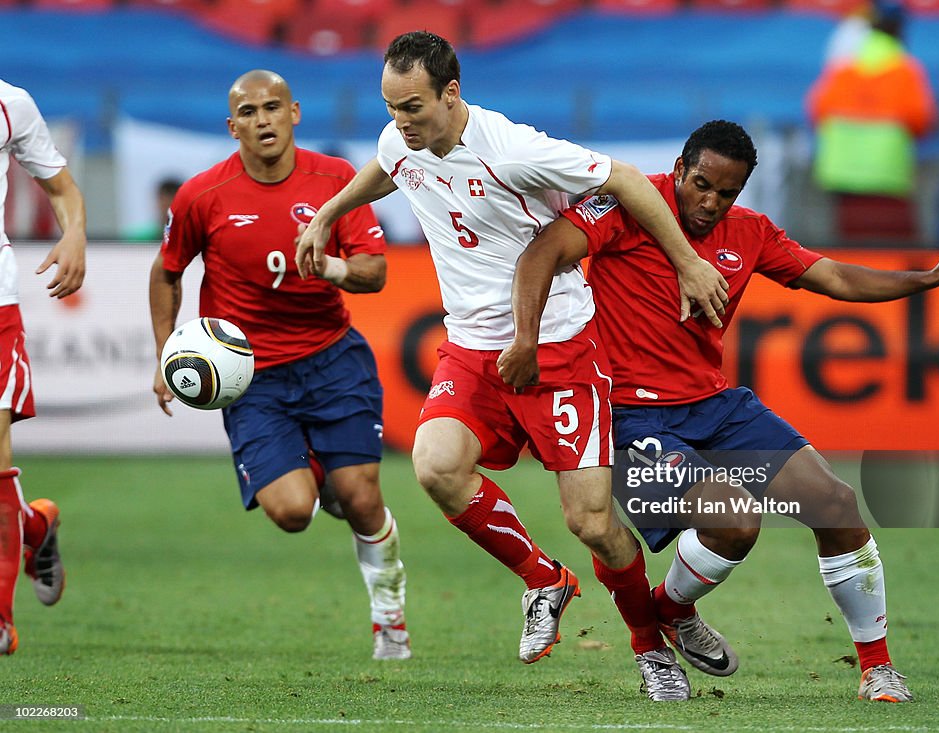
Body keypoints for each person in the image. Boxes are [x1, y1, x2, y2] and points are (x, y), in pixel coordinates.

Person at [295, 31, 731, 701]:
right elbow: (389, 165)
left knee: (592, 522)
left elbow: (626, 180)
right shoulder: (401, 139)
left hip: (558, 346)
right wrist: (332, 208)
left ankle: (649, 645)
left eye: (412, 107)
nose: (400, 121)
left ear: (451, 94)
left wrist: (688, 261)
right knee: (436, 465)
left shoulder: (513, 149)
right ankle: (544, 579)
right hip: (471, 346)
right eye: (390, 107)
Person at [501, 119, 939, 702]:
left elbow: (835, 276)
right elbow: (544, 251)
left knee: (836, 504)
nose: (711, 203)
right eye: (702, 185)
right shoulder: (625, 204)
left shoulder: (750, 232)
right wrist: (526, 340)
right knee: (735, 522)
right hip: (630, 415)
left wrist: (931, 277)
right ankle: (659, 625)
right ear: (681, 168)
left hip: (716, 405)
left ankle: (873, 667)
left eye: (728, 192)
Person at [149, 70, 410, 661]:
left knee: (363, 500)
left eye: (272, 107)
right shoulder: (201, 195)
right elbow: (167, 271)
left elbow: (375, 271)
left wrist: (333, 269)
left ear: (294, 113)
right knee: (293, 513)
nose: (262, 120)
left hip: (332, 359)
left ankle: (389, 615)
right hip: (250, 377)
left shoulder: (337, 180)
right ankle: (320, 468)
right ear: (232, 125)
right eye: (248, 112)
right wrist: (166, 353)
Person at [0, 79, 85, 655]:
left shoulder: (11, 103)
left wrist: (75, 232)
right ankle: (32, 525)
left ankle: (0, 622)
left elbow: (60, 187)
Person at [806, 0, 937, 243]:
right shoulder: (905, 70)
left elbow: (817, 110)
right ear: (899, 28)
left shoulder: (844, 65)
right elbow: (921, 121)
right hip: (886, 175)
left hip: (841, 174)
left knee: (849, 258)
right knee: (888, 260)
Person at [124, 177, 183, 242]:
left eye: (172, 201)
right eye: (164, 202)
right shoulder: (139, 239)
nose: (168, 207)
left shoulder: (191, 239)